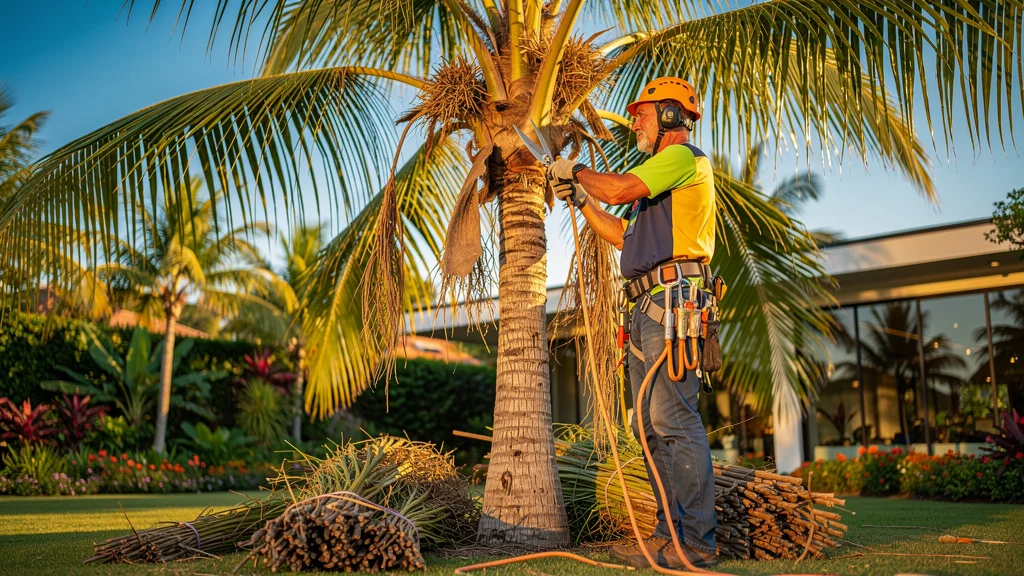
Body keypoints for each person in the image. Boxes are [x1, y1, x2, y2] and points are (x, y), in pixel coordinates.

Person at [545, 77, 718, 569]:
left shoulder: (684, 160)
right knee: (647, 425)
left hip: (674, 304)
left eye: (642, 114)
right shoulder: (656, 186)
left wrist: (575, 170)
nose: (636, 122)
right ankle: (669, 537)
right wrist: (582, 201)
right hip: (646, 307)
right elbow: (622, 233)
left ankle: (699, 543)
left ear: (669, 115)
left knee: (673, 420)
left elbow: (619, 189)